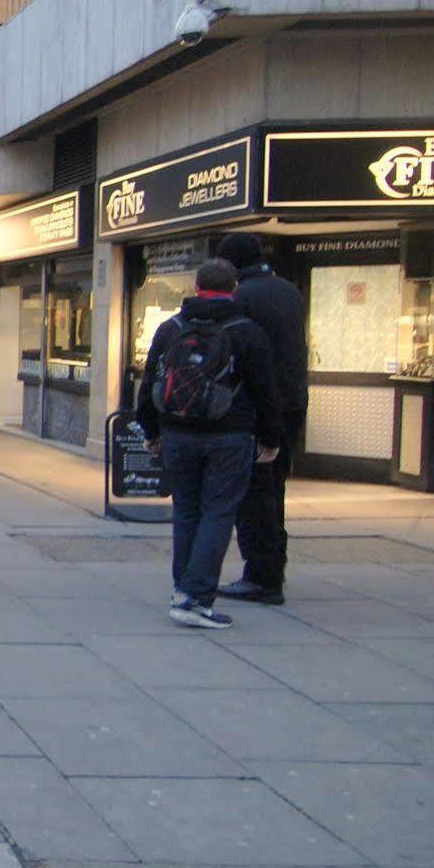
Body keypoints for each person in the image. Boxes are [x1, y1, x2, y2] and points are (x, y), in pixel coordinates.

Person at [136, 257, 283, 631]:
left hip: (178, 435)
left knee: (186, 512)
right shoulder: (247, 331)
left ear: (196, 286)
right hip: (230, 436)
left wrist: (150, 431)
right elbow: (266, 391)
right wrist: (271, 438)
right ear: (233, 287)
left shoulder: (172, 328)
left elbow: (150, 381)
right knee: (218, 513)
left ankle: (182, 589)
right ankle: (195, 596)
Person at [216, 232, 308, 606]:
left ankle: (262, 575)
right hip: (293, 403)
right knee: (275, 488)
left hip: (259, 406)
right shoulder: (288, 290)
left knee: (254, 494)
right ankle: (272, 566)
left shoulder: (243, 298)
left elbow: (241, 355)